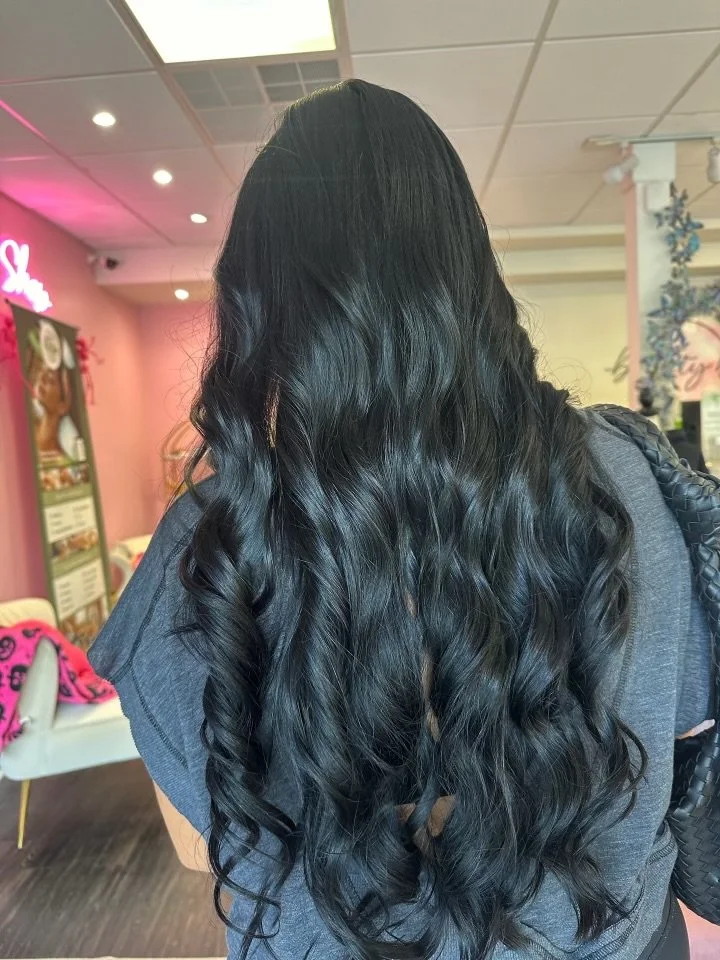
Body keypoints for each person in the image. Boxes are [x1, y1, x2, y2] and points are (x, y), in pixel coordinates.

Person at [89, 81, 712, 960]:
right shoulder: (624, 480)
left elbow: (206, 843)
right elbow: (681, 729)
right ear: (467, 267)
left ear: (259, 300)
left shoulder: (210, 550)